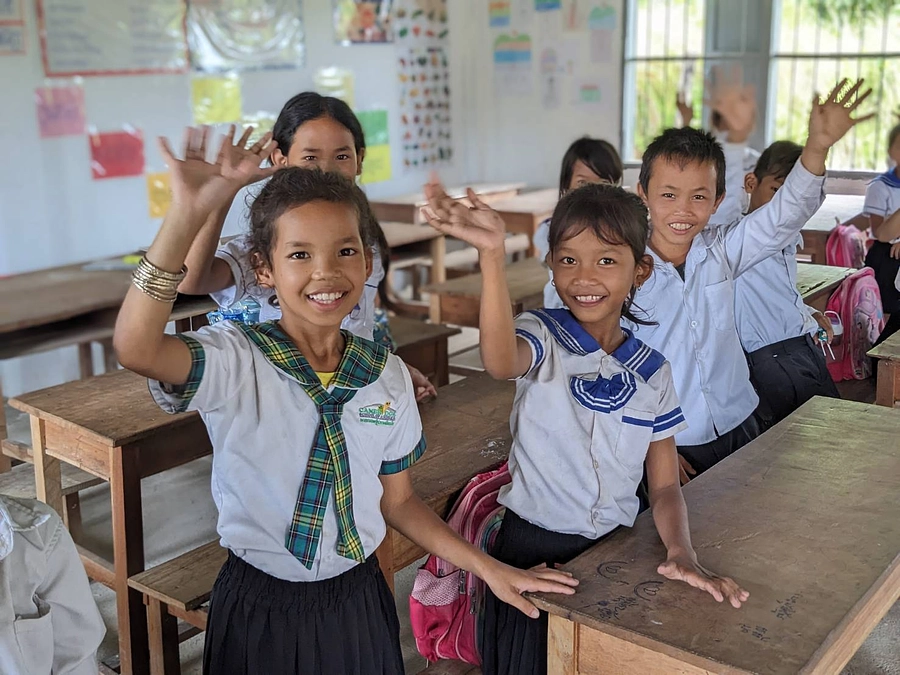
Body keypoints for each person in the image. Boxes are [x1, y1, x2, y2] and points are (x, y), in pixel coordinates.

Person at [113, 130, 578, 675]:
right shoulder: (237, 360)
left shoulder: (385, 374)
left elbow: (399, 502)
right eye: (300, 254)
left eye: (345, 251)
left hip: (358, 598)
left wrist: (489, 569)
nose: (325, 272)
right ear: (264, 269)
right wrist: (187, 211)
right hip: (260, 601)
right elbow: (137, 347)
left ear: (368, 262)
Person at [423, 178, 749, 675]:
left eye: (607, 260)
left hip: (611, 551)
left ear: (640, 270)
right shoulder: (542, 336)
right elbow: (498, 360)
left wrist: (681, 551)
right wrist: (491, 255)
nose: (585, 276)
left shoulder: (652, 371)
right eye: (569, 259)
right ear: (551, 264)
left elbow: (663, 487)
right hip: (533, 550)